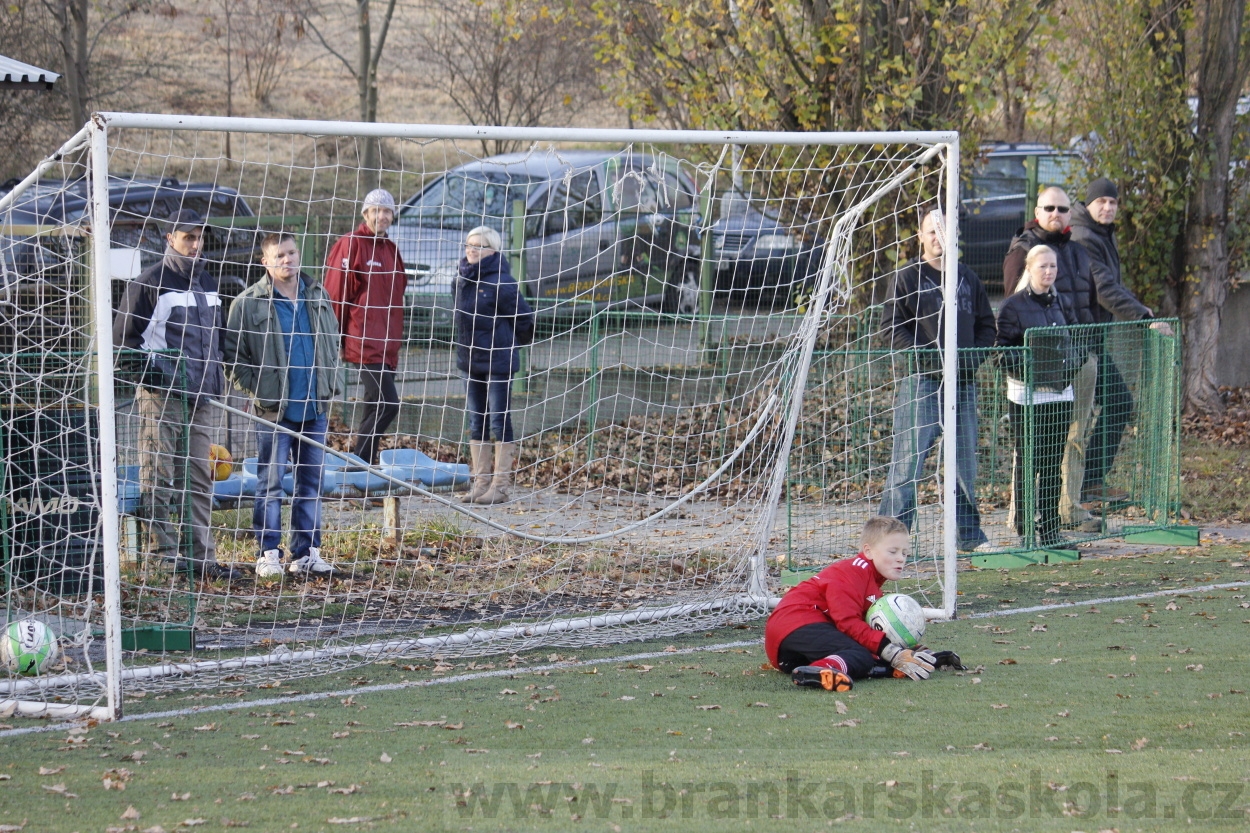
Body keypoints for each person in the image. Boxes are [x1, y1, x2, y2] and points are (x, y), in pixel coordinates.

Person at [113, 209, 242, 582]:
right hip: (161, 397)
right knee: (160, 475)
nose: (196, 244)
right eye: (188, 237)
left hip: (202, 400)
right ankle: (164, 557)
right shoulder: (150, 282)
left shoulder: (206, 281)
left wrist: (220, 380)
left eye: (200, 237)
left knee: (200, 478)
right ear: (170, 238)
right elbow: (124, 344)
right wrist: (156, 380)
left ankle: (201, 559)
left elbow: (216, 339)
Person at [223, 232, 345, 580]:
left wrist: (329, 386)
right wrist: (260, 391)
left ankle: (306, 553)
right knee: (271, 483)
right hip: (274, 412)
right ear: (265, 261)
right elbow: (232, 358)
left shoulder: (318, 295)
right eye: (280, 255)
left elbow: (332, 342)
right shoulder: (247, 304)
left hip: (315, 408)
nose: (288, 260)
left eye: (292, 253)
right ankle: (268, 553)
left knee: (311, 483)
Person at [878, 209, 996, 552]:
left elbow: (988, 326)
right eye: (931, 232)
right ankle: (890, 541)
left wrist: (973, 356)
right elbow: (890, 326)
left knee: (964, 466)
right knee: (908, 465)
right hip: (923, 383)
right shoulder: (907, 277)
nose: (937, 237)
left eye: (944, 232)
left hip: (963, 384)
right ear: (921, 236)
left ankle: (969, 537)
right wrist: (925, 356)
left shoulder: (968, 278)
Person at [1070, 178, 1175, 508]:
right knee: (1082, 417)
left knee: (1115, 403)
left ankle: (1089, 485)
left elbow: (1114, 285)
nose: (1108, 207)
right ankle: (1078, 492)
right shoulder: (1084, 236)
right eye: (1101, 201)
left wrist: (1142, 308)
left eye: (1113, 202)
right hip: (1077, 342)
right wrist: (1144, 318)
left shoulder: (1100, 233)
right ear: (1088, 204)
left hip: (1093, 340)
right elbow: (1104, 289)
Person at [1002, 186, 1100, 532]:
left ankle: (1061, 516)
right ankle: (1022, 520)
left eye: (1063, 208)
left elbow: (1084, 307)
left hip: (1070, 371)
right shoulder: (1021, 253)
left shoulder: (1076, 254)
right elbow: (1010, 326)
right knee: (1029, 452)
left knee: (1069, 441)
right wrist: (1028, 368)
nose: (1056, 214)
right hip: (1033, 379)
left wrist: (1079, 357)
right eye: (1049, 208)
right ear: (1037, 210)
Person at [764, 516, 943, 692]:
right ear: (868, 551)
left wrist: (921, 654)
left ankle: (817, 670)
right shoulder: (851, 571)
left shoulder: (871, 584)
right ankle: (823, 668)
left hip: (789, 655)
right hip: (795, 622)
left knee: (863, 655)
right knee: (860, 655)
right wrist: (891, 652)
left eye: (905, 553)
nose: (901, 558)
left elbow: (864, 636)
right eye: (893, 551)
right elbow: (847, 622)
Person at [995, 245, 1081, 548]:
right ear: (1029, 268)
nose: (1049, 272)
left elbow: (1079, 341)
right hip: (1027, 398)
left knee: (1053, 464)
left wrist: (1067, 369)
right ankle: (1025, 529)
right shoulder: (1013, 306)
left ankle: (1051, 531)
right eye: (1043, 266)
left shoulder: (1062, 303)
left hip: (1060, 395)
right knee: (1029, 462)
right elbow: (1000, 352)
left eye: (1053, 267)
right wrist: (1033, 371)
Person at [324, 188, 407, 467]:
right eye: (376, 210)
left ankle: (364, 469)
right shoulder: (351, 245)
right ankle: (359, 463)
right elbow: (336, 294)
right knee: (388, 404)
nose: (382, 216)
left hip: (387, 346)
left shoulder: (393, 251)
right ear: (365, 214)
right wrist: (332, 338)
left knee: (374, 404)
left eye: (387, 211)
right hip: (362, 341)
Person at [454, 225, 534, 505]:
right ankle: (480, 483)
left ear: (493, 251)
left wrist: (506, 345)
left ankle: (500, 486)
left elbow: (525, 321)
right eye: (468, 244)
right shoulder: (460, 280)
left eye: (479, 245)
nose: (472, 250)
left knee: (499, 420)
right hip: (469, 361)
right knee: (477, 421)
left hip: (498, 361)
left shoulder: (504, 283)